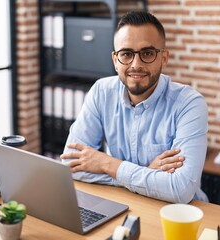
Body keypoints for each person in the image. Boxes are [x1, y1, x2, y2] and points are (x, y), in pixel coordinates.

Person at [60, 11, 208, 203]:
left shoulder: (190, 104)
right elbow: (70, 165)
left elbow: (180, 190)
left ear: (164, 57)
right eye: (126, 54)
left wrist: (107, 164)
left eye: (147, 53)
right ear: (115, 60)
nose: (136, 64)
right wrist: (146, 174)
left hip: (181, 213)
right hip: (124, 204)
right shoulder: (101, 92)